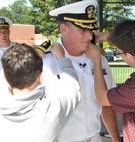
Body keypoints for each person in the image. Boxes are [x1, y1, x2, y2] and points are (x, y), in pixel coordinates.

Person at [42, 0, 121, 141]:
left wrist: (116, 140)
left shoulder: (99, 59)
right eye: (83, 30)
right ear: (63, 29)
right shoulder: (45, 63)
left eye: (91, 30)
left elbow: (106, 105)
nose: (90, 36)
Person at [0, 43, 81, 142]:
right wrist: (61, 56)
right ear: (40, 77)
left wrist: (21, 55)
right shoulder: (51, 109)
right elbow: (73, 87)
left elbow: (2, 74)